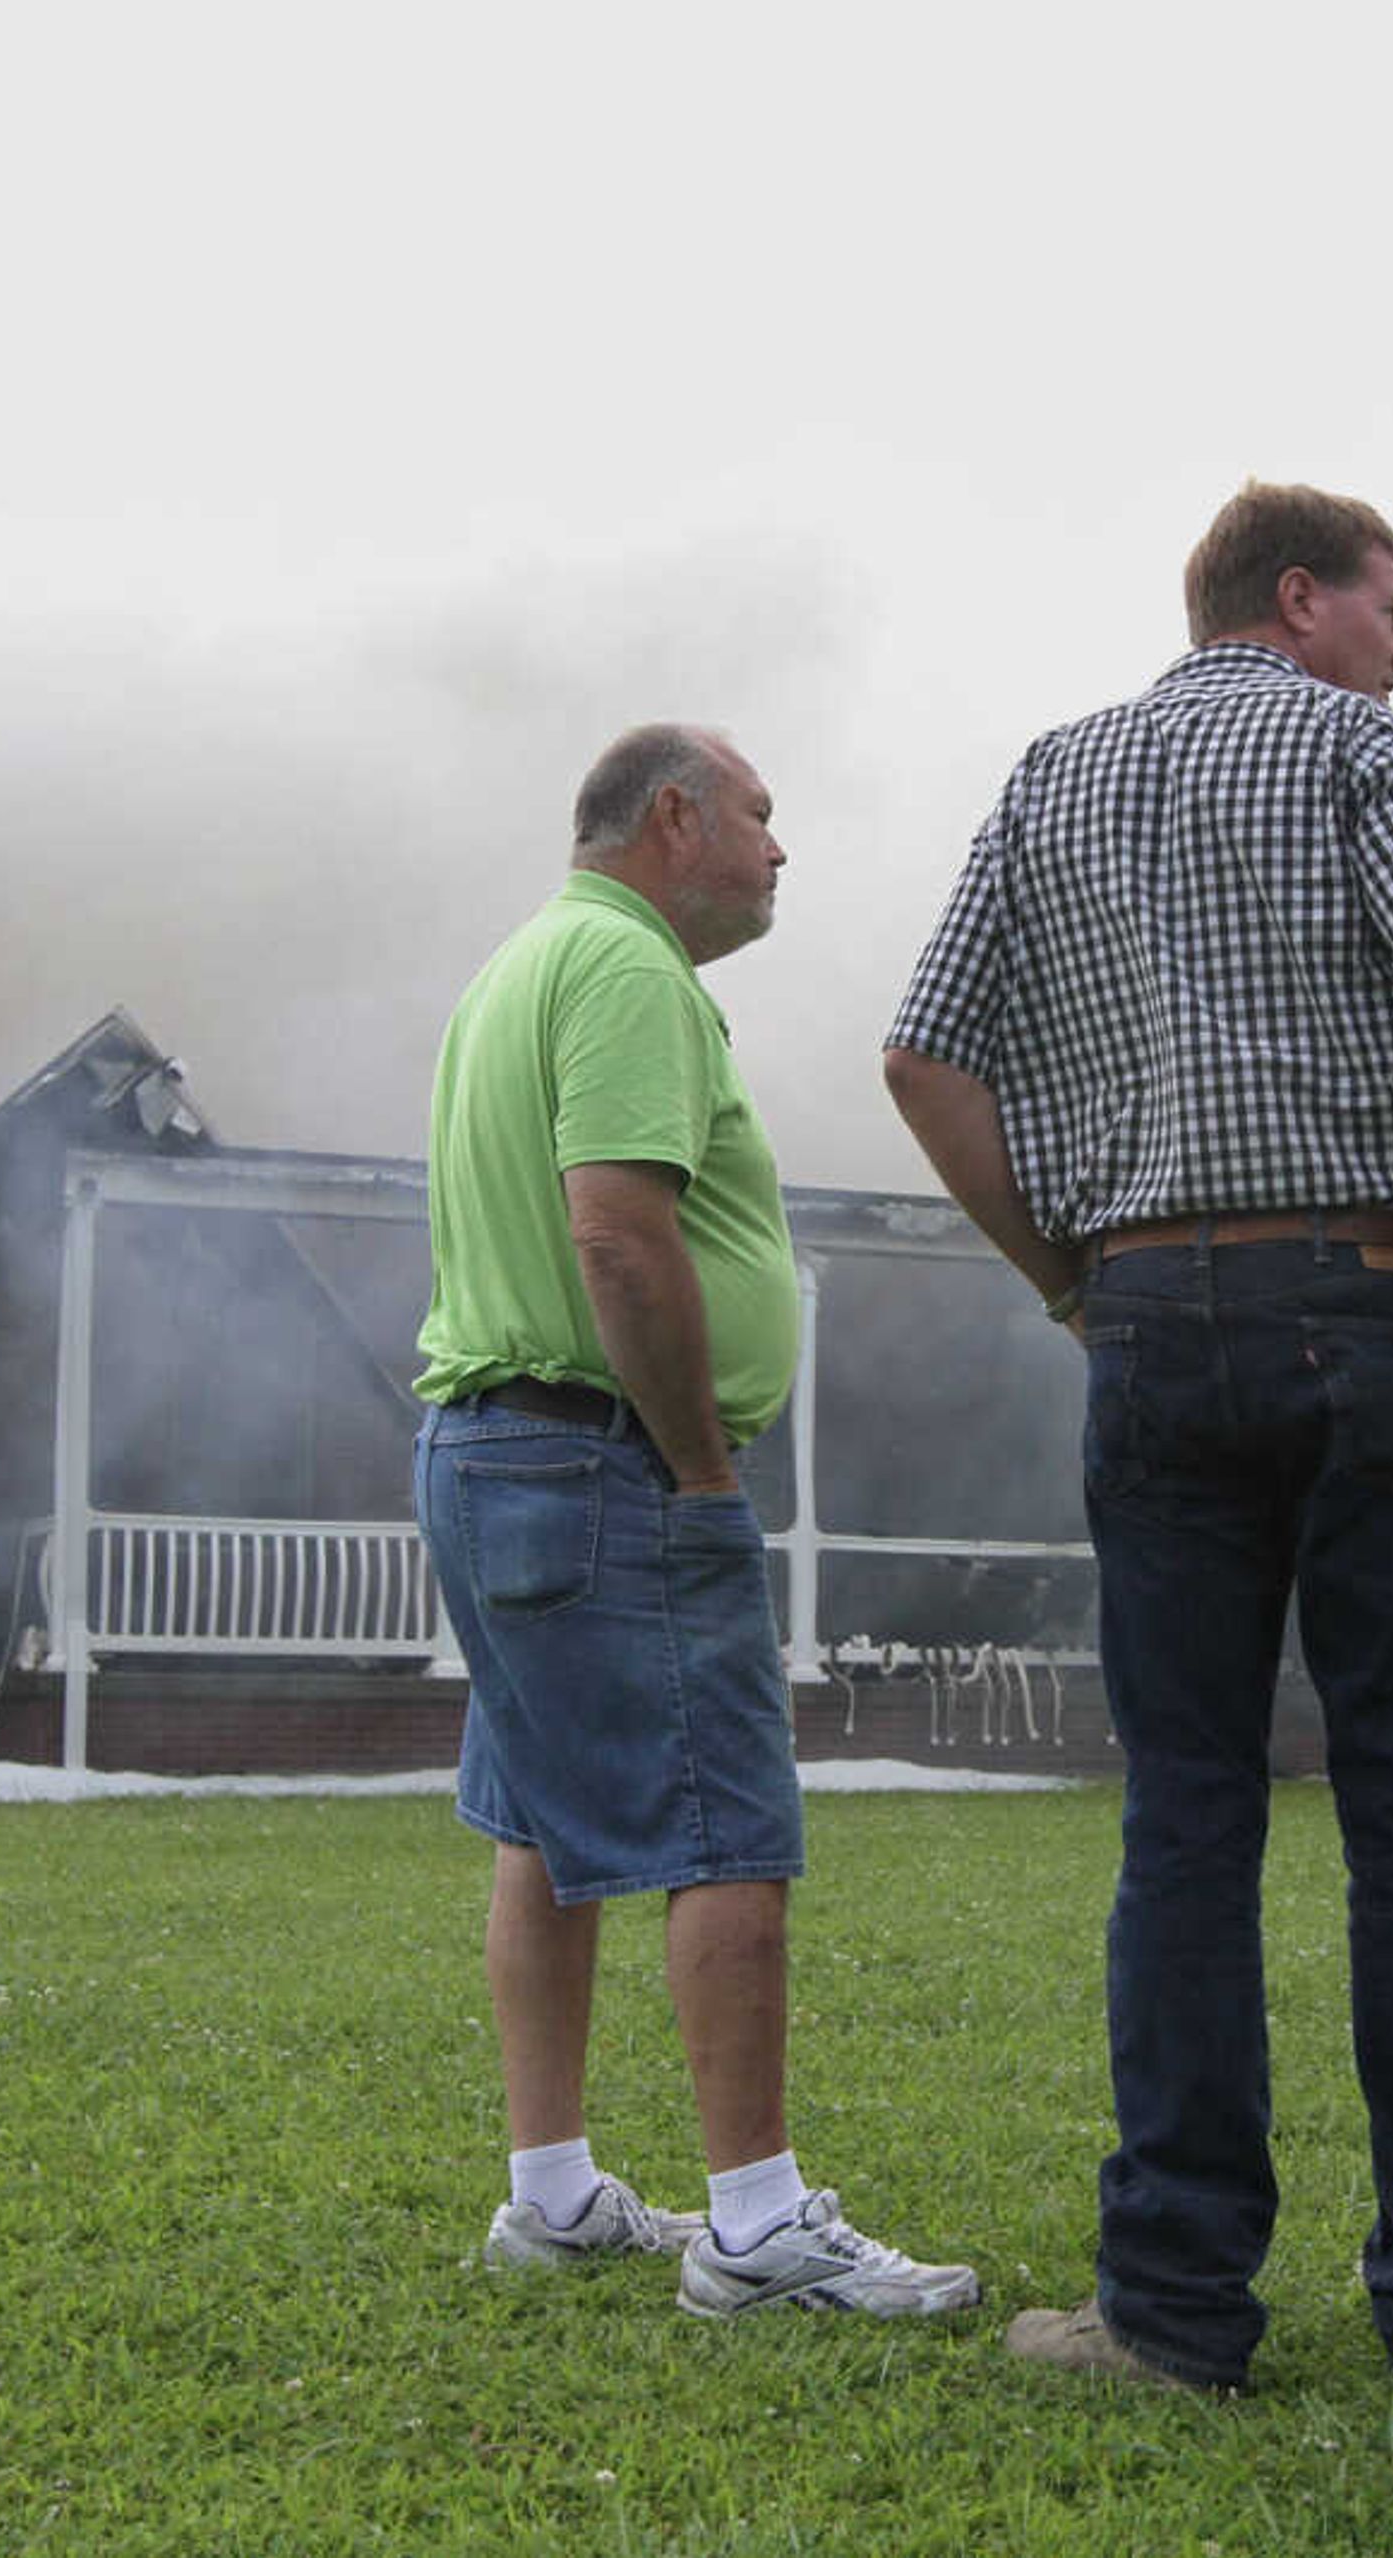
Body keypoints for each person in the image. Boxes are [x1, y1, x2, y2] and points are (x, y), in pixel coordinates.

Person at [882, 481, 1393, 2394]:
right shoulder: (1355, 746)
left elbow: (923, 1054)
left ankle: (1173, 2311)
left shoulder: (1054, 772)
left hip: (1153, 1324)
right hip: (1369, 1306)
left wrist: (1063, 1280)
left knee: (1190, 1816)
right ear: (1297, 596)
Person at [412, 722, 977, 2321]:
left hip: (494, 1452)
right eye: (759, 816)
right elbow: (618, 1233)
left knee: (540, 1816)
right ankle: (756, 2224)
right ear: (675, 818)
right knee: (726, 1818)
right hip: (605, 1461)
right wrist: (701, 1467)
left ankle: (553, 2191)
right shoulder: (631, 972)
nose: (780, 849)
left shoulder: (517, 966)